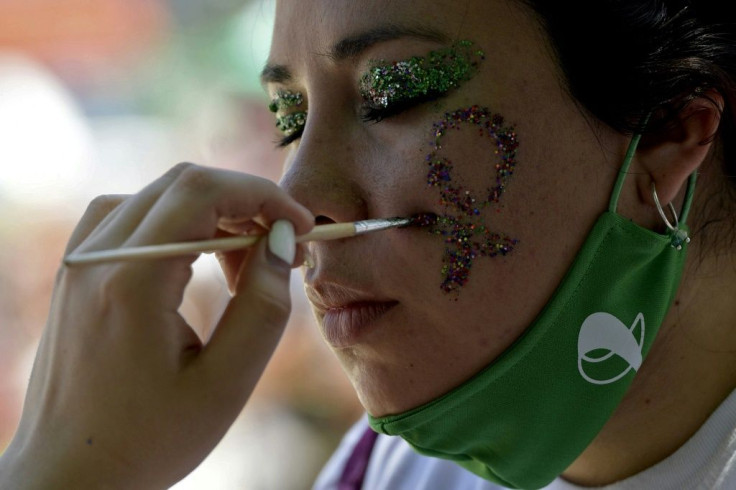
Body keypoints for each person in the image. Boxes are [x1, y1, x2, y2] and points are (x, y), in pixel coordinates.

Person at [1, 0, 735, 488]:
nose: (302, 201)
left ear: (672, 129)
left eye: (395, 93)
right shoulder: (382, 472)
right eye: (289, 119)